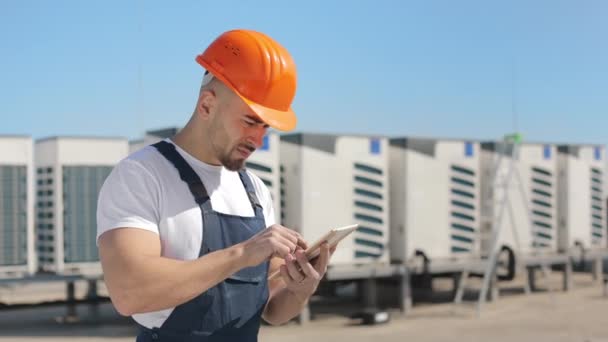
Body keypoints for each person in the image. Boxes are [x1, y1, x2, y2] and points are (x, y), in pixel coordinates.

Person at [96, 29, 334, 342]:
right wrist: (242, 254)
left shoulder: (256, 192)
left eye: (266, 127)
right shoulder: (141, 175)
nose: (258, 140)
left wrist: (301, 288)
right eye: (250, 121)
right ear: (207, 105)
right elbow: (129, 292)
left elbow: (274, 310)